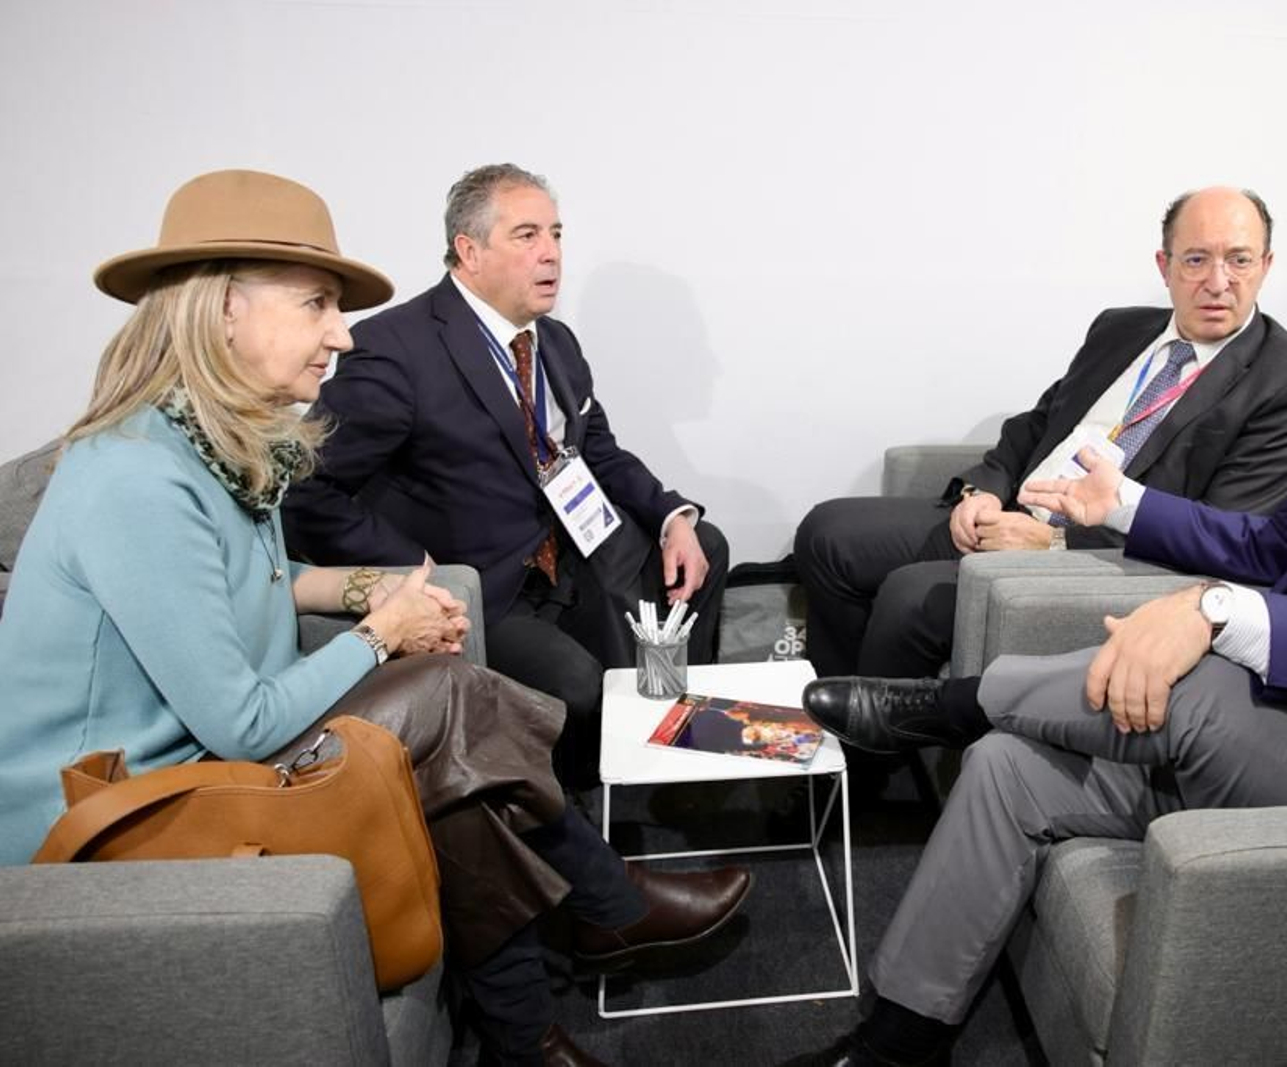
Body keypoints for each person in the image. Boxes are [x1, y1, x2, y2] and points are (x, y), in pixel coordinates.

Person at [790, 159, 1287, 1065]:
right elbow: (1269, 550)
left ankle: (953, 700)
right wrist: (1124, 506)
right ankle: (898, 1039)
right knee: (1008, 762)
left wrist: (1211, 613)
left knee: (1202, 676)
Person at [0, 169, 751, 1067]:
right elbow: (241, 719)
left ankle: (532, 1027)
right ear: (223, 309)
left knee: (454, 748)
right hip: (117, 821)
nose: (342, 335)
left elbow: (237, 588)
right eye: (317, 304)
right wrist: (380, 631)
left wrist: (358, 591)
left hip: (205, 766)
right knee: (451, 695)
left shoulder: (209, 444)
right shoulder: (134, 477)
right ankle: (602, 903)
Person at [281, 164, 729, 789]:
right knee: (577, 686)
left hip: (568, 555)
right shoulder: (396, 348)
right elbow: (309, 498)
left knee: (704, 547)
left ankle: (672, 765)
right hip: (485, 587)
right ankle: (576, 821)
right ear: (470, 251)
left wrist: (671, 515)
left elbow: (595, 449)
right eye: (526, 235)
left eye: (556, 233)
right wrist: (422, 575)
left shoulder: (557, 343)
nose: (550, 253)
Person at [795, 186, 1287, 682]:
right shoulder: (1121, 329)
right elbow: (1037, 425)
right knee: (829, 533)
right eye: (1196, 259)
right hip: (1006, 515)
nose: (1218, 282)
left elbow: (1226, 536)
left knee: (910, 597)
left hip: (1092, 559)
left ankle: (873, 774)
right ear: (1165, 265)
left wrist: (1053, 542)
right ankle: (832, 739)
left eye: (1239, 260)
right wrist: (980, 490)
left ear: (1265, 266)